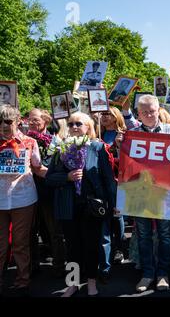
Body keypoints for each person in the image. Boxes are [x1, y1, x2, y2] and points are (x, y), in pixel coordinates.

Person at [45, 112, 117, 297]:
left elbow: (108, 179)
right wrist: (66, 177)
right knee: (72, 246)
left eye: (79, 123)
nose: (74, 127)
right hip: (68, 205)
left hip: (91, 206)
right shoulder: (61, 148)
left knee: (91, 245)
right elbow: (49, 178)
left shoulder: (97, 147)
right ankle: (73, 283)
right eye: (71, 124)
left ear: (89, 127)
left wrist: (114, 203)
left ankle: (91, 282)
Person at [117, 95, 170, 293]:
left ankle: (162, 273)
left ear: (158, 109)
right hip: (140, 193)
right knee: (143, 235)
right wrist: (121, 145)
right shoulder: (132, 133)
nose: (149, 115)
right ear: (138, 113)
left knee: (165, 235)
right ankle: (147, 273)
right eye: (144, 112)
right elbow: (125, 163)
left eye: (152, 111)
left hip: (164, 192)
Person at [0, 105, 47, 296]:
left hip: (23, 198)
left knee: (21, 242)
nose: (3, 125)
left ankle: (22, 281)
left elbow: (38, 167)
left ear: (18, 121)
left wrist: (66, 175)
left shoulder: (29, 142)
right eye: (0, 121)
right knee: (1, 244)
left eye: (8, 121)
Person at [27, 109, 66, 278]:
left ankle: (58, 265)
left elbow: (61, 166)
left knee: (55, 231)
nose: (32, 123)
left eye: (35, 120)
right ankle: (32, 265)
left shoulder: (56, 142)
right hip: (27, 191)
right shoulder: (24, 141)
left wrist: (42, 171)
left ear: (45, 122)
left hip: (49, 191)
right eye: (30, 120)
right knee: (30, 231)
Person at [98, 107, 127, 282]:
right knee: (104, 217)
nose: (104, 117)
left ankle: (119, 247)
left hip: (117, 180)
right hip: (100, 181)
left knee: (117, 216)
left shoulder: (122, 134)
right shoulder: (97, 133)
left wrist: (119, 147)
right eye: (102, 114)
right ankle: (105, 256)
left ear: (116, 117)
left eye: (107, 114)